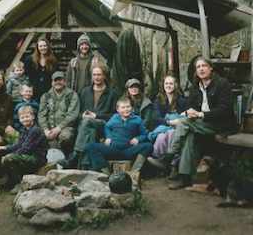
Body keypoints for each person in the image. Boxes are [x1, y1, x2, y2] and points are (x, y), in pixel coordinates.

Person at [167, 57, 237, 189]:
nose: (201, 69)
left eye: (204, 66)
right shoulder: (195, 86)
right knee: (189, 137)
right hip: (201, 124)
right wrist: (191, 112)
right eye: (198, 67)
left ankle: (170, 155)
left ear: (211, 68)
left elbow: (225, 109)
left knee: (183, 123)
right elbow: (190, 106)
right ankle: (185, 177)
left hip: (221, 125)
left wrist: (201, 114)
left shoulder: (222, 84)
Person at [62, 64, 118, 168]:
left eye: (99, 75)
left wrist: (96, 116)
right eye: (94, 75)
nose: (96, 77)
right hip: (86, 125)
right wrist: (82, 115)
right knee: (89, 129)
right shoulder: (85, 91)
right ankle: (86, 165)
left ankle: (75, 154)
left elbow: (115, 116)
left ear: (104, 76)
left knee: (87, 122)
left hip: (103, 125)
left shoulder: (112, 93)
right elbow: (77, 113)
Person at [84, 97, 152, 177]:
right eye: (123, 107)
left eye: (128, 107)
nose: (126, 109)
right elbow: (107, 127)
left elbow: (144, 134)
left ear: (132, 108)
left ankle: (133, 172)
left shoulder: (137, 119)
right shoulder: (114, 118)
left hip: (128, 151)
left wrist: (138, 139)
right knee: (90, 146)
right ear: (118, 109)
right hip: (113, 149)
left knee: (148, 146)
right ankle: (105, 173)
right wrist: (108, 137)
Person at [0, 106, 48, 190]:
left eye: (27, 116)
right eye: (22, 117)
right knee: (4, 153)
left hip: (37, 158)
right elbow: (18, 144)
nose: (25, 119)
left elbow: (26, 148)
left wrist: (11, 155)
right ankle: (11, 181)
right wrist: (4, 148)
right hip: (27, 155)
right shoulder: (24, 130)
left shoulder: (35, 130)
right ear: (19, 119)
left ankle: (18, 183)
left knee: (9, 158)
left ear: (33, 117)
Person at [147, 75, 187, 170]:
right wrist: (170, 122)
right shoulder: (158, 100)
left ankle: (172, 163)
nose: (168, 86)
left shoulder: (182, 100)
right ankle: (160, 161)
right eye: (166, 83)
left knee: (171, 134)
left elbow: (185, 115)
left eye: (171, 83)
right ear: (163, 85)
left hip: (178, 127)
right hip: (165, 126)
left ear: (175, 85)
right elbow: (156, 118)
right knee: (161, 137)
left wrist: (177, 120)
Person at [38, 71, 80, 155]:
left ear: (64, 81)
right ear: (52, 82)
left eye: (60, 80)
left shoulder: (72, 95)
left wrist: (58, 128)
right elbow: (41, 114)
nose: (58, 82)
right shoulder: (46, 96)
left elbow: (72, 115)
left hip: (65, 127)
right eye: (55, 80)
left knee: (65, 137)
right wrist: (46, 129)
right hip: (49, 128)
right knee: (37, 136)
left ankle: (67, 158)